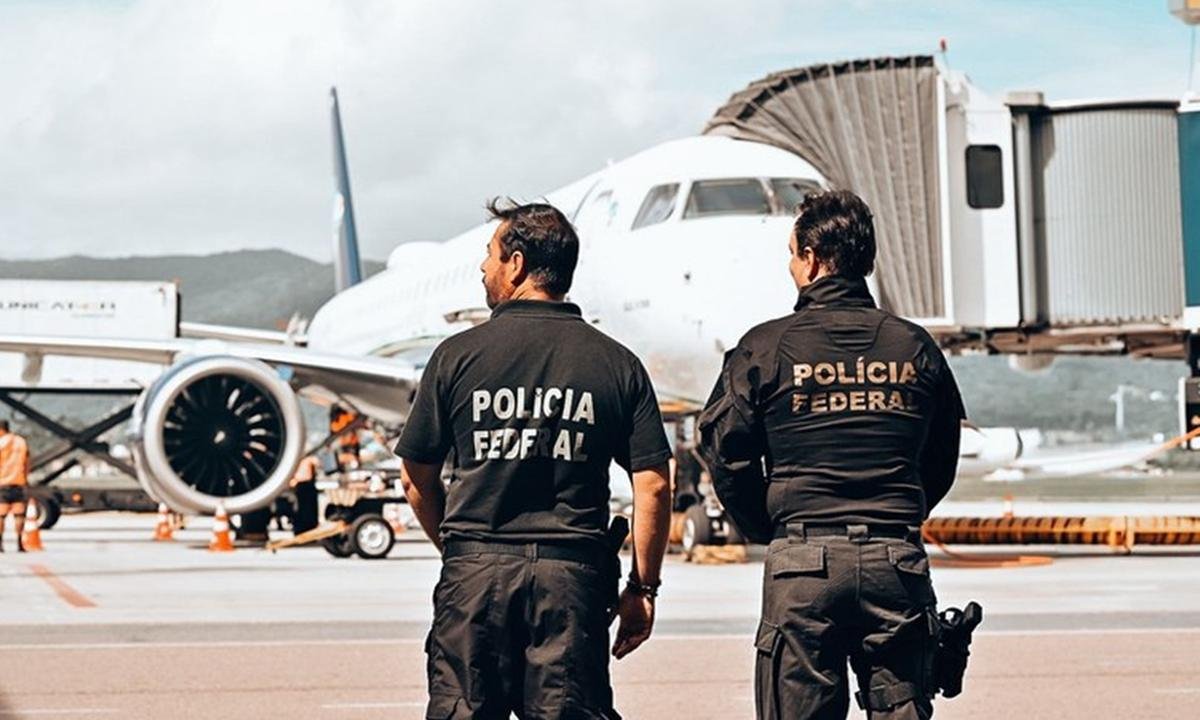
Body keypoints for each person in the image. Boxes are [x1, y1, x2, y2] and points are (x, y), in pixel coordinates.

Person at [394, 199, 673, 719]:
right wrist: (643, 587)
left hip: (476, 574)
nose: (483, 268)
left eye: (490, 256)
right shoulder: (617, 363)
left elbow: (415, 479)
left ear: (517, 264)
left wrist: (460, 549)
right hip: (571, 580)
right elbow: (654, 485)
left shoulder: (457, 356)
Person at [699, 191, 965, 720]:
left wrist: (769, 526)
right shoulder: (914, 346)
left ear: (813, 260)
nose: (792, 265)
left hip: (803, 564)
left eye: (793, 254)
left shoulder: (765, 347)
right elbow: (941, 457)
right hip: (896, 562)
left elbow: (724, 453)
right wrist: (897, 512)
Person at [0, 419, 31, 553]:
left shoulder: (0, 443)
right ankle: (19, 543)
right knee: (19, 515)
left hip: (3, 483)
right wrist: (25, 478)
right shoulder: (21, 442)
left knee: (1, 515)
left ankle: (0, 543)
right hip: (19, 482)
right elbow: (27, 462)